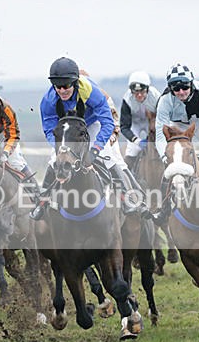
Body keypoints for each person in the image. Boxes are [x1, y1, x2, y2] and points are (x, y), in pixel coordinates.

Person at [30, 56, 151, 220]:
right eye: (57, 86)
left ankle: (130, 200)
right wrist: (61, 149)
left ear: (74, 82)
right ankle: (42, 203)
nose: (62, 90)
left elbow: (108, 123)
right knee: (54, 160)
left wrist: (96, 149)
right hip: (69, 130)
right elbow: (50, 130)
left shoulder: (91, 92)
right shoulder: (48, 101)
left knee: (109, 158)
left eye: (66, 86)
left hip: (92, 125)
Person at [151, 63, 199, 225]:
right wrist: (165, 157)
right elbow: (160, 132)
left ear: (191, 84)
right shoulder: (165, 101)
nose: (181, 92)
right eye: (176, 89)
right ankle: (164, 209)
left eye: (185, 87)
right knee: (170, 169)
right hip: (177, 128)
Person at [119, 70, 160, 171]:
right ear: (131, 91)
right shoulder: (127, 99)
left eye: (142, 92)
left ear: (147, 89)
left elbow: (161, 120)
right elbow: (124, 127)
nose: (139, 95)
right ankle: (127, 179)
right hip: (134, 123)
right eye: (135, 92)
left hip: (150, 123)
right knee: (132, 150)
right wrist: (136, 140)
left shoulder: (156, 96)